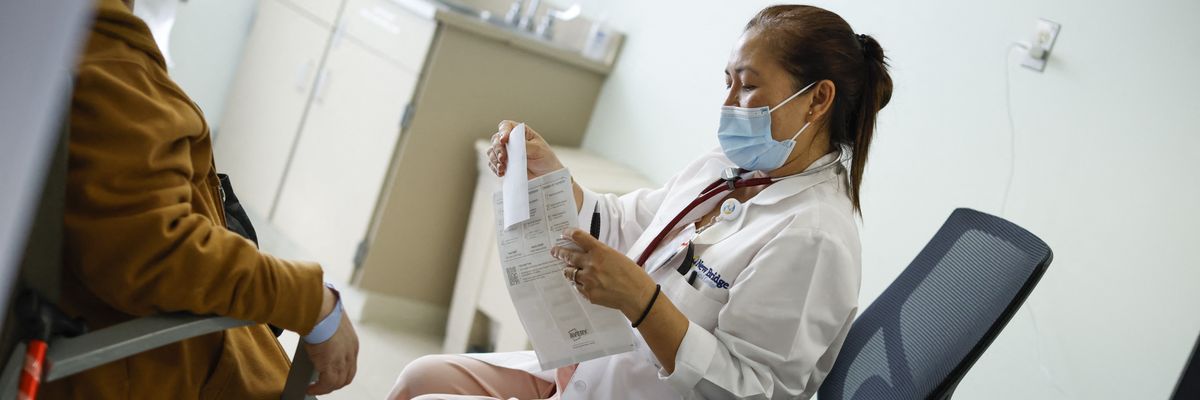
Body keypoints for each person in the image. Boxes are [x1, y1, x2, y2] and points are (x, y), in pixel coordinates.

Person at [390, 4, 892, 400]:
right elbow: (629, 221)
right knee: (422, 379)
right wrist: (554, 178)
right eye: (728, 82)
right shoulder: (723, 167)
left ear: (818, 99)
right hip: (596, 370)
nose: (728, 103)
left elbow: (751, 390)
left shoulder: (815, 236)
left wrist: (643, 303)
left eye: (748, 85)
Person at [41, 0, 359, 398]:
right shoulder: (109, 62)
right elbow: (158, 251)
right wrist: (311, 300)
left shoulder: (50, 34)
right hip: (142, 368)